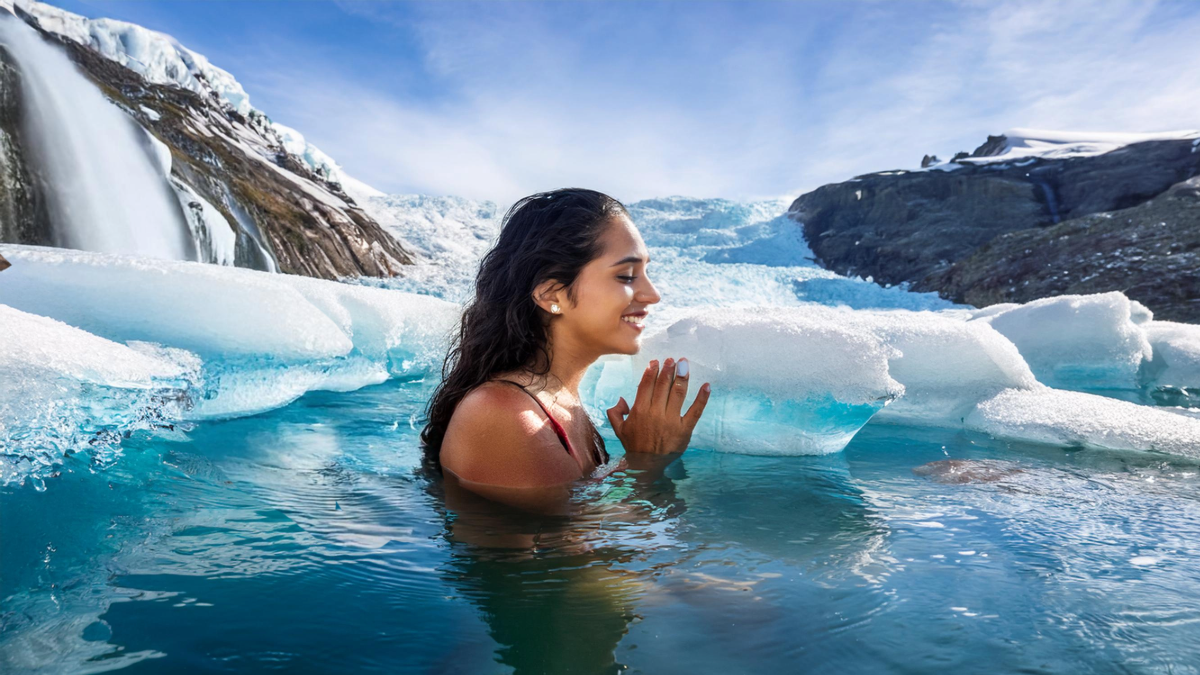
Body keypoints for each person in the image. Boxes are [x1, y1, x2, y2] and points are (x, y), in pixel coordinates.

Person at [420, 187, 712, 513]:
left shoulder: (557, 403)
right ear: (552, 295)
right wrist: (646, 461)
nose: (652, 294)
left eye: (646, 272)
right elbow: (566, 559)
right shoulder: (503, 415)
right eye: (627, 275)